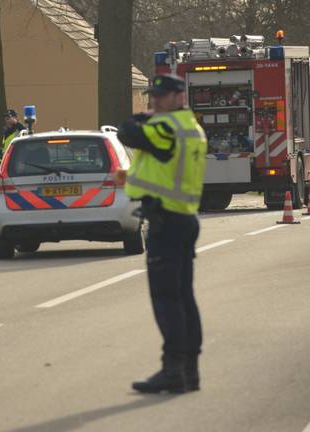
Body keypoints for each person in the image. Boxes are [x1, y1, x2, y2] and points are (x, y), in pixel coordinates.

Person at [117, 74, 208, 394]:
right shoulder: (191, 128)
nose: (153, 100)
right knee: (183, 296)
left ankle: (173, 371)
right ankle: (189, 371)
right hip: (183, 219)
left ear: (178, 97)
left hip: (166, 222)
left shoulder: (166, 127)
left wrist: (141, 117)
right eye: (151, 95)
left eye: (160, 95)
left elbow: (127, 132)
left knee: (166, 298)